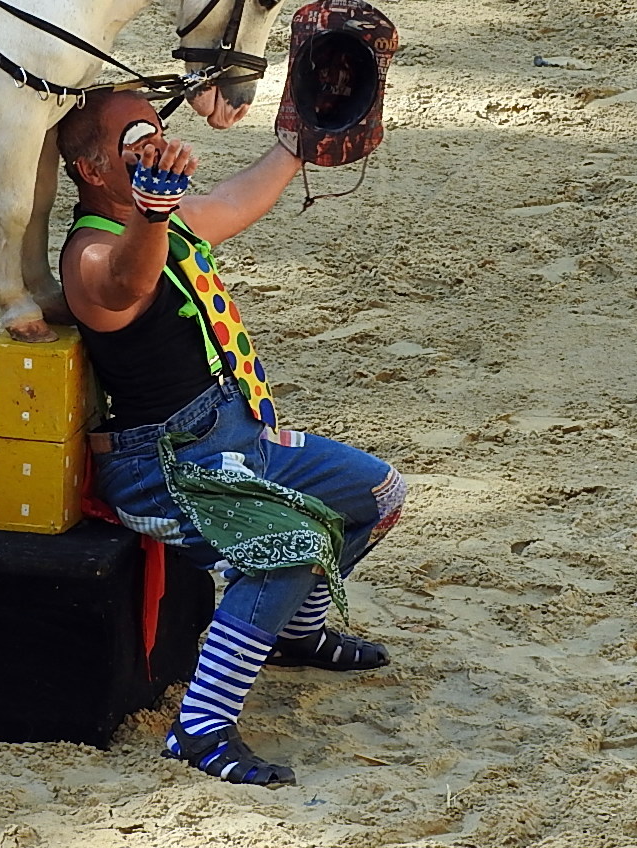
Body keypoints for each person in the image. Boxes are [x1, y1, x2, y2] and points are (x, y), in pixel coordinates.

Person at [56, 90, 406, 788]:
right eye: (133, 141)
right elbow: (130, 279)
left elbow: (235, 201)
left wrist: (296, 142)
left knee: (378, 493)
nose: (153, 146)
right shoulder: (90, 254)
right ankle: (200, 729)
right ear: (93, 170)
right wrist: (153, 213)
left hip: (236, 432)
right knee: (287, 549)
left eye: (155, 131)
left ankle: (291, 636)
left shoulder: (169, 223)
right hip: (165, 465)